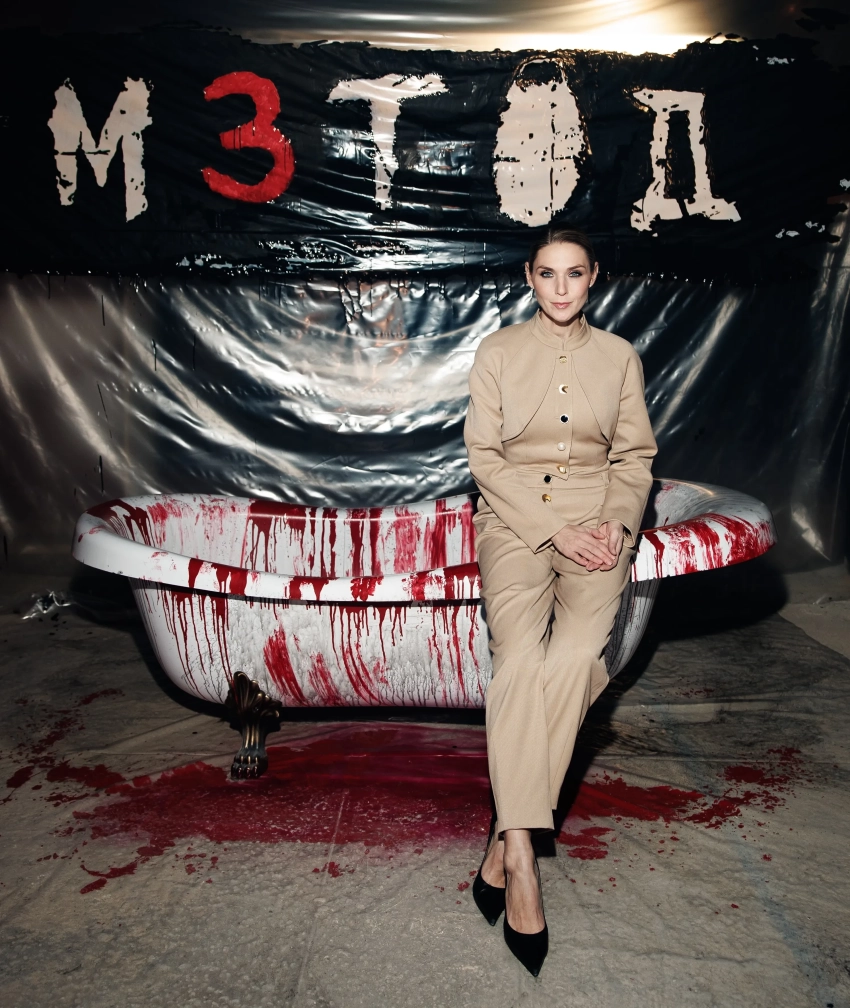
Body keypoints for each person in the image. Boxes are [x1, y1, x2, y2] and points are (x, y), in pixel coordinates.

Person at [464, 226, 656, 974]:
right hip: (514, 520)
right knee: (518, 661)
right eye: (548, 274)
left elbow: (635, 457)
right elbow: (485, 459)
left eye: (575, 273)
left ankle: (500, 840)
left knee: (577, 662)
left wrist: (613, 523)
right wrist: (552, 530)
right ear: (530, 278)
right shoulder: (498, 353)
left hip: (600, 522)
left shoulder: (620, 357)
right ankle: (523, 855)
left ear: (593, 277)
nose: (562, 287)